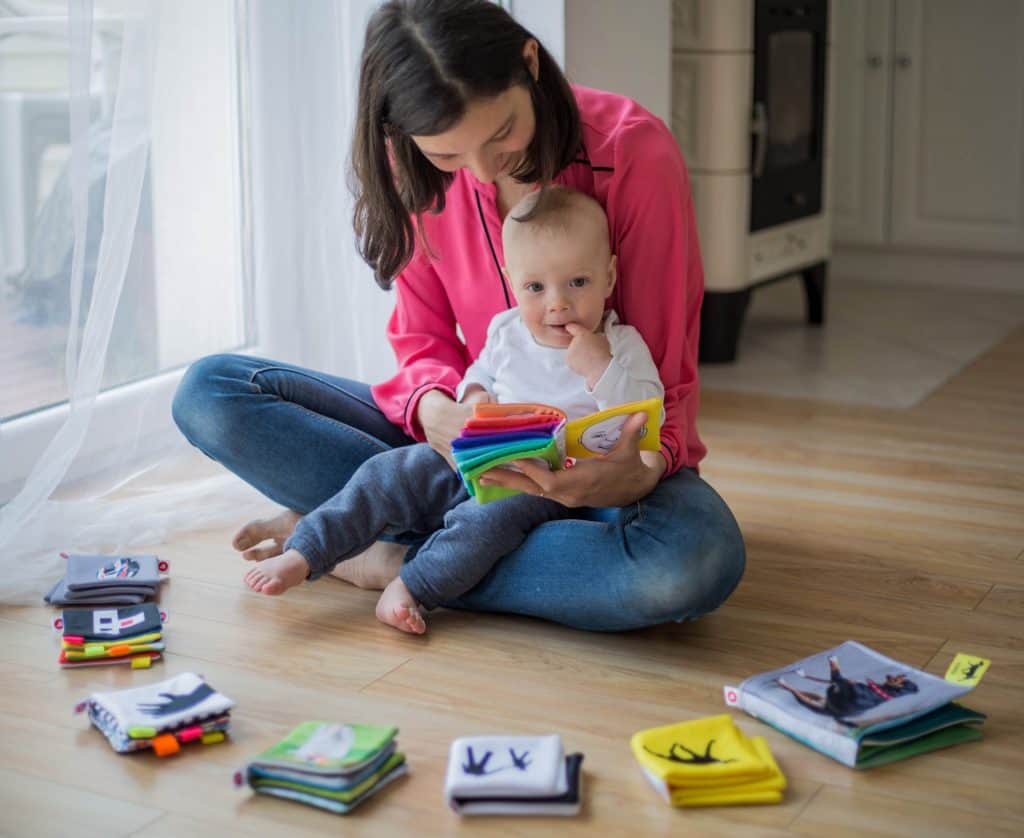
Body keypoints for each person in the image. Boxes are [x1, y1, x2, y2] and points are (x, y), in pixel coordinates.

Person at [171, 0, 746, 632]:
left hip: (599, 472)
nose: (480, 170)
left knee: (688, 564)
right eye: (449, 156)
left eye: (500, 133)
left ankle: (385, 554)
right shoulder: (413, 164)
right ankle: (415, 537)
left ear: (529, 64)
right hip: (462, 454)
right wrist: (440, 412)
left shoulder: (633, 152)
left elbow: (665, 377)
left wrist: (634, 475)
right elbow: (422, 339)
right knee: (210, 392)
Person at [243, 187, 663, 634]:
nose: (557, 303)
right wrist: (475, 397)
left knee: (484, 524)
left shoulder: (621, 345)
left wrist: (601, 368)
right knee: (388, 473)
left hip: (541, 484)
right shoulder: (507, 330)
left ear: (610, 277)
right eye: (535, 287)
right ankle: (305, 551)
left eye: (577, 283)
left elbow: (643, 415)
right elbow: (478, 370)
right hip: (477, 455)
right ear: (512, 281)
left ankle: (412, 585)